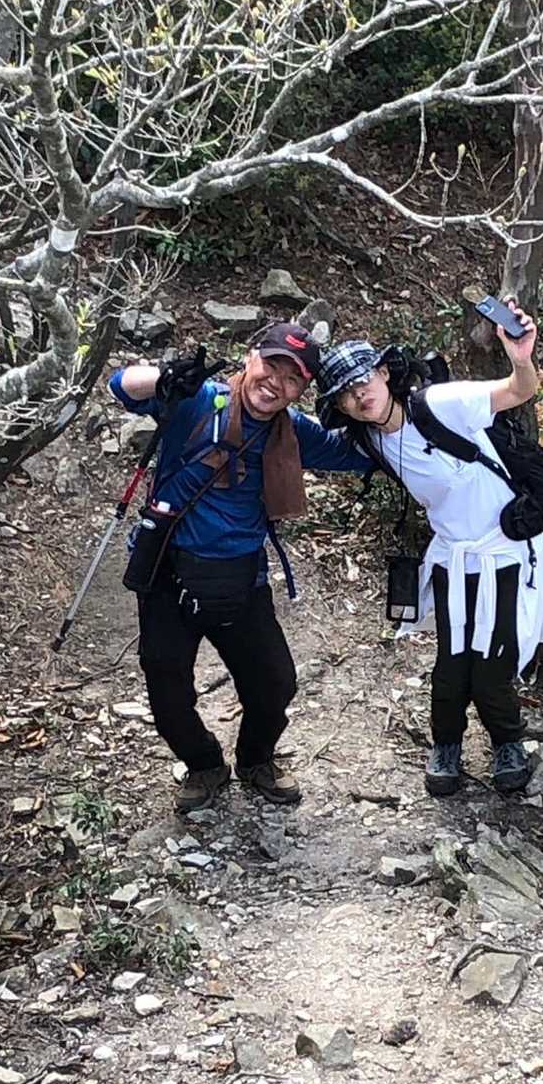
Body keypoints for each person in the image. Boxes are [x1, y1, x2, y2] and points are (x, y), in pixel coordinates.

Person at [109, 324, 373, 814]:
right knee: (166, 690)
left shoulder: (293, 432)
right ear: (250, 358)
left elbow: (356, 454)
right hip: (168, 574)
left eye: (292, 379)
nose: (276, 383)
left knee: (275, 683)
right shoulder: (197, 401)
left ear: (301, 391)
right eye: (271, 366)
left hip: (241, 581)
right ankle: (204, 764)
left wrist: (389, 403)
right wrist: (164, 376)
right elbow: (120, 386)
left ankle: (255, 760)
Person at [316, 303, 543, 797]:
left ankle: (507, 742)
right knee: (451, 660)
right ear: (341, 407)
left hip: (505, 551)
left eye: (364, 381)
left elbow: (519, 391)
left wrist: (520, 358)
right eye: (346, 394)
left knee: (493, 661)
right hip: (451, 556)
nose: (360, 395)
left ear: (384, 373)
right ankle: (446, 745)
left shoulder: (441, 403)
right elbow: (304, 442)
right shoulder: (369, 441)